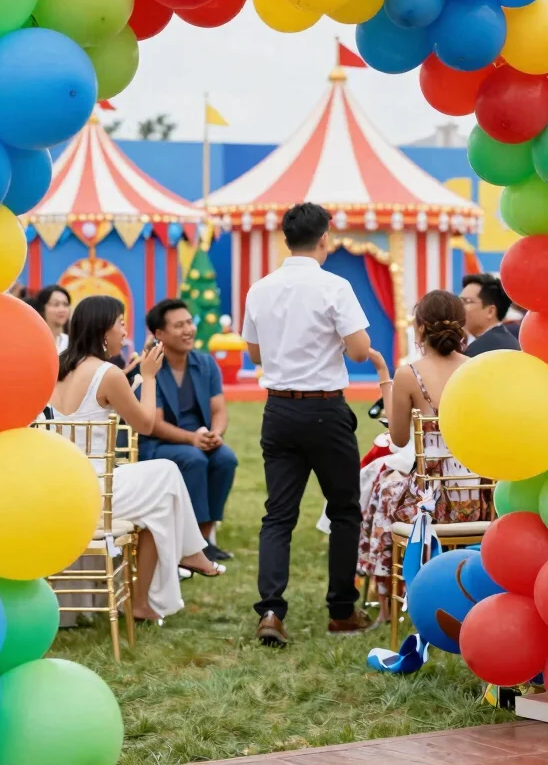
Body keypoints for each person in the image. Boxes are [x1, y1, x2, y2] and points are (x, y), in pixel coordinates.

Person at [46, 295, 225, 623]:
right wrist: (150, 375)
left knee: (158, 500)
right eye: (122, 324)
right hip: (95, 491)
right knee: (167, 473)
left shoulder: (55, 367)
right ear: (103, 331)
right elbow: (145, 424)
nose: (126, 333)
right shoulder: (106, 374)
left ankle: (147, 596)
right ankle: (191, 554)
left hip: (59, 489)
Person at [242, 202, 373, 646]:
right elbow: (358, 351)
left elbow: (256, 355)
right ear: (325, 238)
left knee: (278, 514)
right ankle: (340, 611)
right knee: (343, 510)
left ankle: (272, 611)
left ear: (285, 238)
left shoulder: (259, 289)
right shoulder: (335, 286)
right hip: (325, 408)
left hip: (278, 410)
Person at [365, 290, 481, 622]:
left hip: (431, 502)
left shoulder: (408, 374)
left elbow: (399, 438)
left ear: (419, 330)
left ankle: (388, 607)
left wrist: (385, 381)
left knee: (382, 490)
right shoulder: (476, 369)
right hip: (478, 495)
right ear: (462, 329)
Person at [141, 299, 238, 563]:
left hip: (199, 439)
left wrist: (216, 433)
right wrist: (192, 439)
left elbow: (219, 409)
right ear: (159, 334)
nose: (188, 330)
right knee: (193, 459)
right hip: (159, 443)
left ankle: (204, 540)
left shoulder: (205, 364)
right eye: (178, 325)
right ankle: (189, 545)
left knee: (226, 458)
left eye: (188, 323)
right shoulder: (151, 368)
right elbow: (153, 423)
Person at [460, 273, 521, 357]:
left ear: (490, 311)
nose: (460, 307)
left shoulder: (481, 351)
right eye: (460, 301)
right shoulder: (510, 343)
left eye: (467, 301)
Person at [31, 284, 71, 353]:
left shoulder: (72, 343)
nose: (62, 309)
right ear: (42, 308)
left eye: (65, 304)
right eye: (56, 304)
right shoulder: (33, 342)